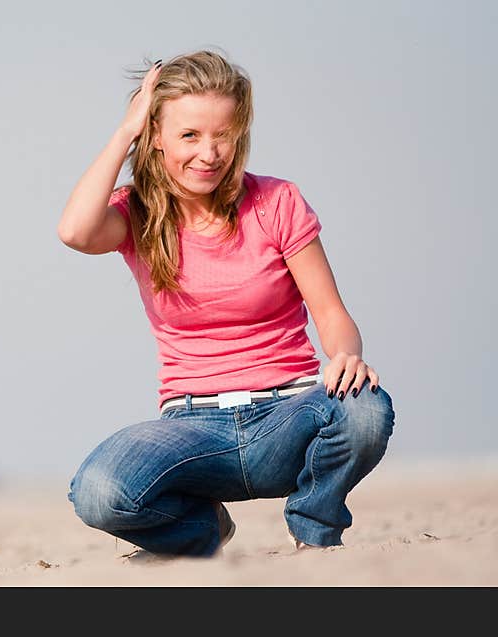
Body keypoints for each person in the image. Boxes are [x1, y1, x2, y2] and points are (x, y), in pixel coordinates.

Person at [57, 50, 396, 558]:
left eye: (223, 134)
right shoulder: (137, 213)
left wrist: (345, 355)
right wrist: (126, 129)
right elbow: (75, 231)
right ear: (156, 137)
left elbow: (330, 313)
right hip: (193, 427)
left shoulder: (277, 201)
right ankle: (201, 531)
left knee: (366, 410)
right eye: (190, 136)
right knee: (99, 492)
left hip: (288, 412)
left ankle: (314, 528)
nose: (210, 153)